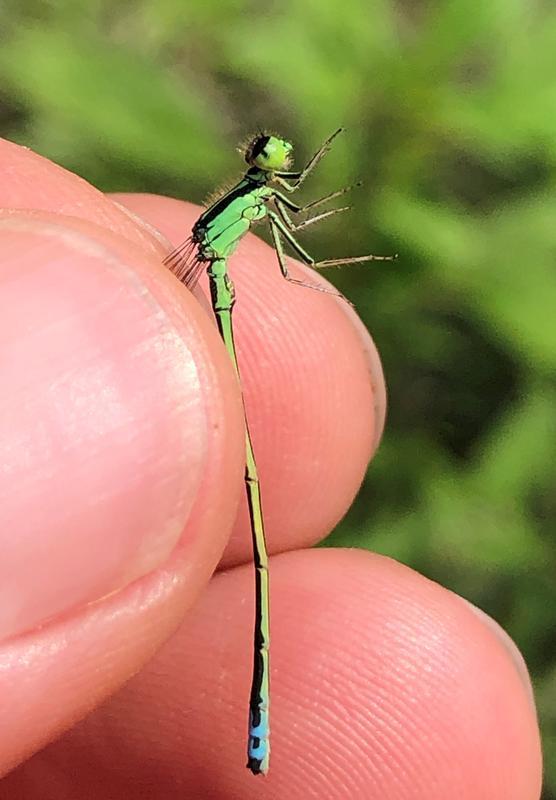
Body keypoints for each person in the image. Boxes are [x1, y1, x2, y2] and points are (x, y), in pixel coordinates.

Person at [0, 138, 542, 798]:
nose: (278, 168)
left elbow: (290, 241)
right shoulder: (257, 203)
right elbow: (296, 260)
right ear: (263, 175)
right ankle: (257, 723)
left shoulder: (251, 199)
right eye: (272, 165)